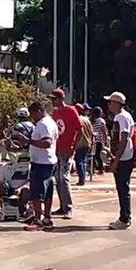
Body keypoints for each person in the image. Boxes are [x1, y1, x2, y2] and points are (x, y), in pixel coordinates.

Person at [21, 101, 59, 231]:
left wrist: (28, 141)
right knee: (48, 191)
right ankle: (47, 218)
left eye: (32, 114)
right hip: (49, 161)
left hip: (41, 162)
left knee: (37, 192)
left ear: (38, 111)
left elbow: (47, 142)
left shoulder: (43, 124)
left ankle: (38, 219)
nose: (32, 118)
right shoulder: (50, 122)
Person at [105, 91, 135, 230]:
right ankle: (124, 217)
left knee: (122, 188)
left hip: (123, 157)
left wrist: (116, 160)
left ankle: (124, 218)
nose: (109, 104)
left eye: (111, 101)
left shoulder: (121, 117)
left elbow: (124, 138)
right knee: (123, 188)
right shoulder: (125, 116)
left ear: (117, 103)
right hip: (125, 155)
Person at [50, 88, 80, 220]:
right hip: (56, 149)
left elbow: (79, 130)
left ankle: (68, 207)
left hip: (67, 149)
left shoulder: (71, 111)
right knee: (57, 178)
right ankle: (62, 206)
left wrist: (73, 147)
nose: (52, 102)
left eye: (54, 99)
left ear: (61, 99)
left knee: (64, 177)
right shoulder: (55, 113)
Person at [75, 108, 94, 186]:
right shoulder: (87, 120)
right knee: (84, 161)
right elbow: (92, 132)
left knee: (79, 161)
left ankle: (81, 179)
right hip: (87, 142)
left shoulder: (77, 119)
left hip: (79, 143)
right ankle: (83, 178)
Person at [91, 106, 108, 175]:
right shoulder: (101, 120)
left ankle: (92, 168)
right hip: (99, 140)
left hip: (93, 139)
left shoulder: (91, 120)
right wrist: (105, 139)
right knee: (97, 155)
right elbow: (104, 131)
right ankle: (100, 169)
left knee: (93, 155)